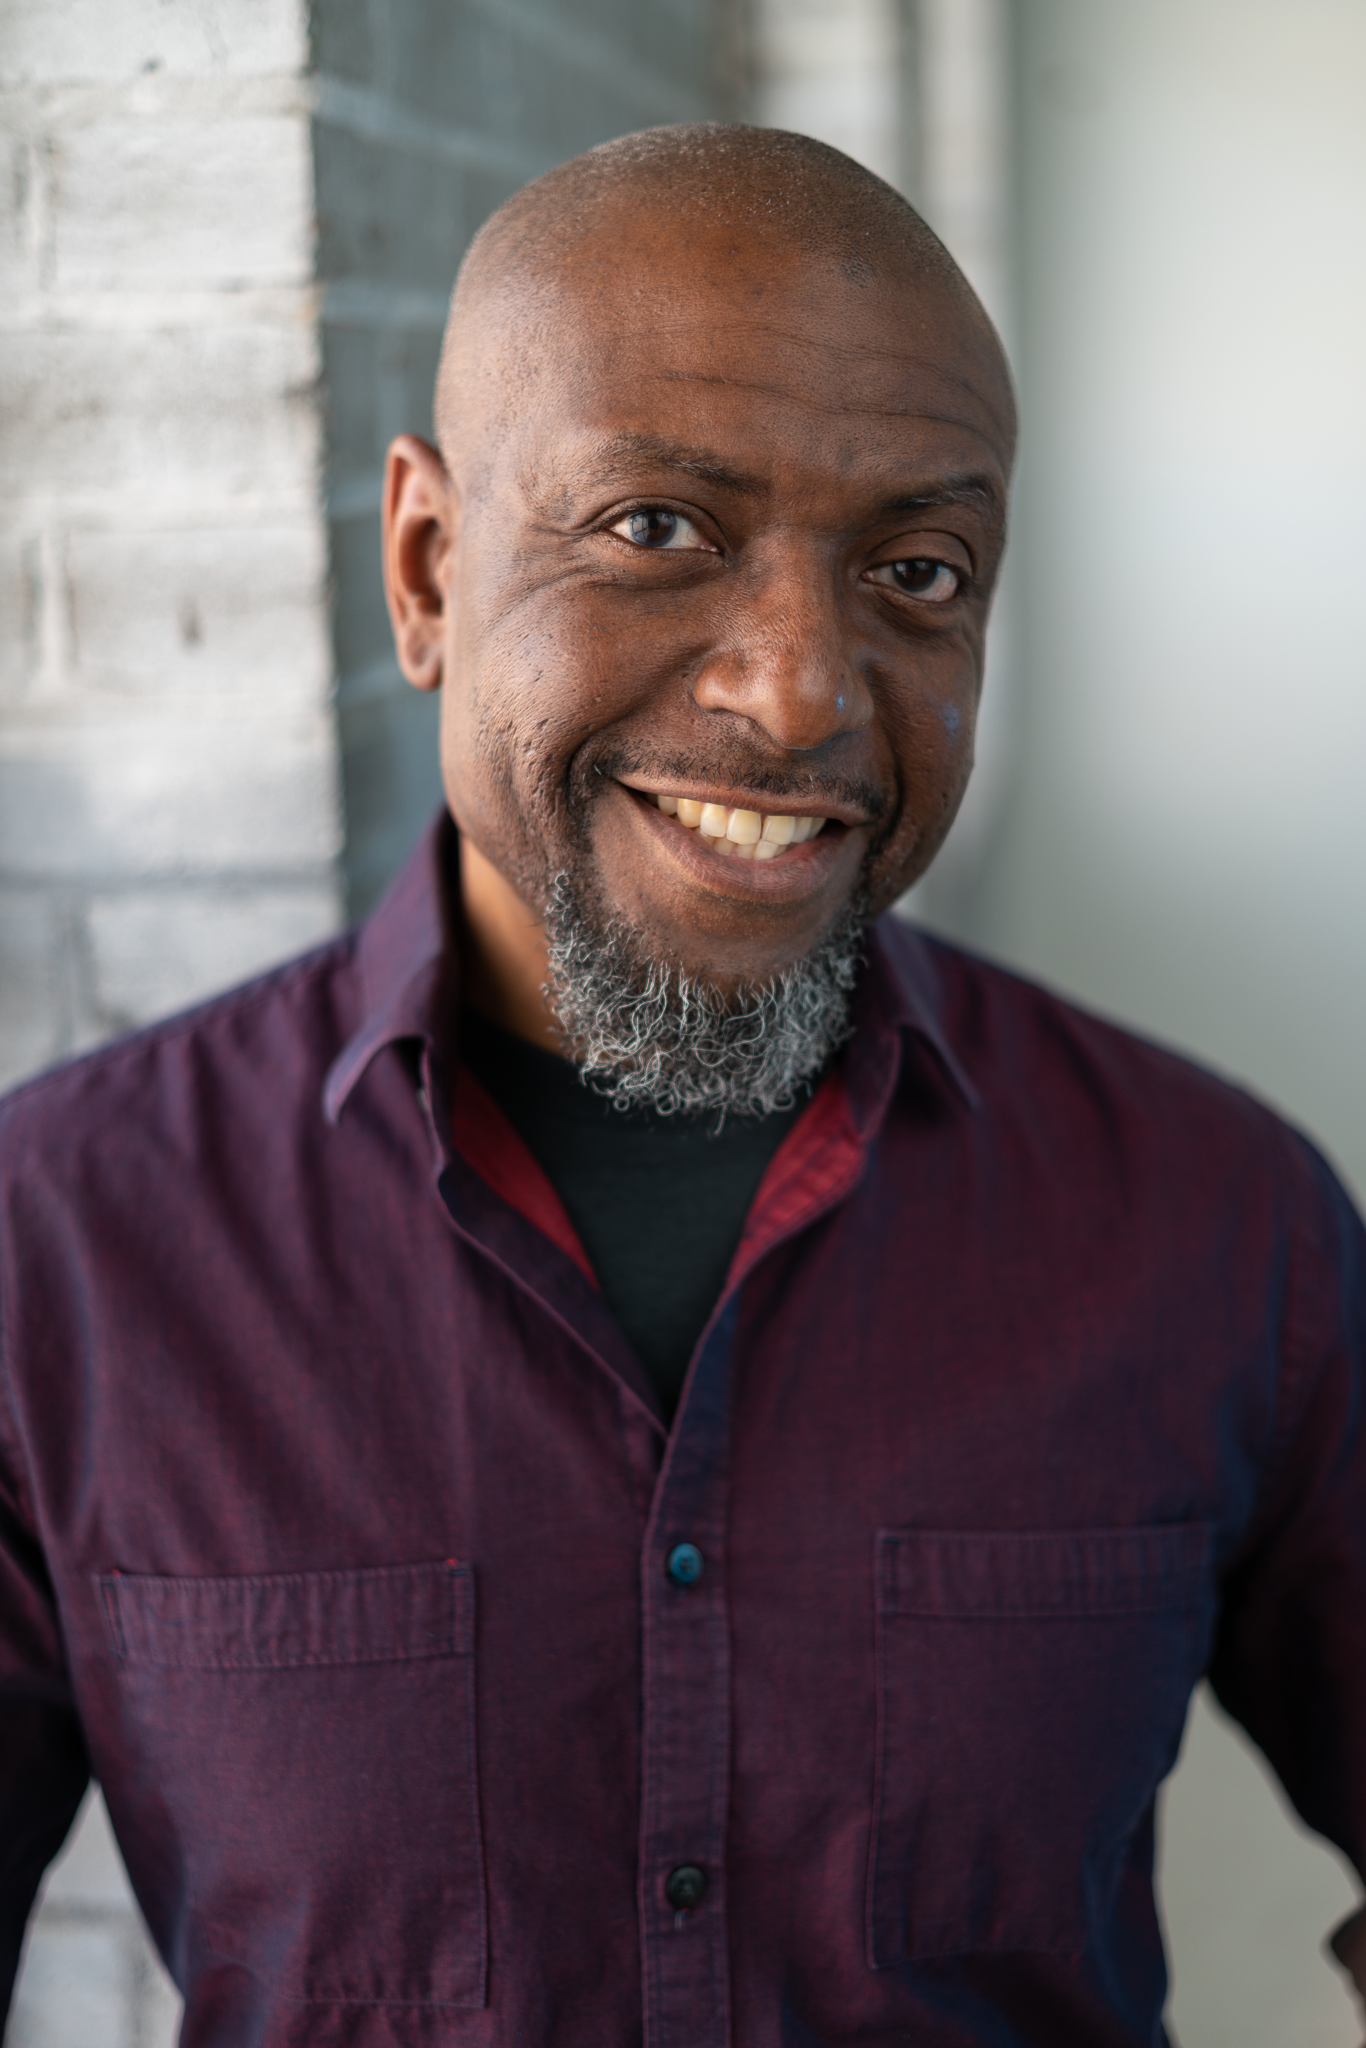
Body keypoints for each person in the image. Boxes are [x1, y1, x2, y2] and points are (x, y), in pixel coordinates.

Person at [1, 123, 1363, 2047]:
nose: (803, 690)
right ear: (425, 571)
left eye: (915, 566)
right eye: (658, 529)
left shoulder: (1223, 1226)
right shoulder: (58, 1246)